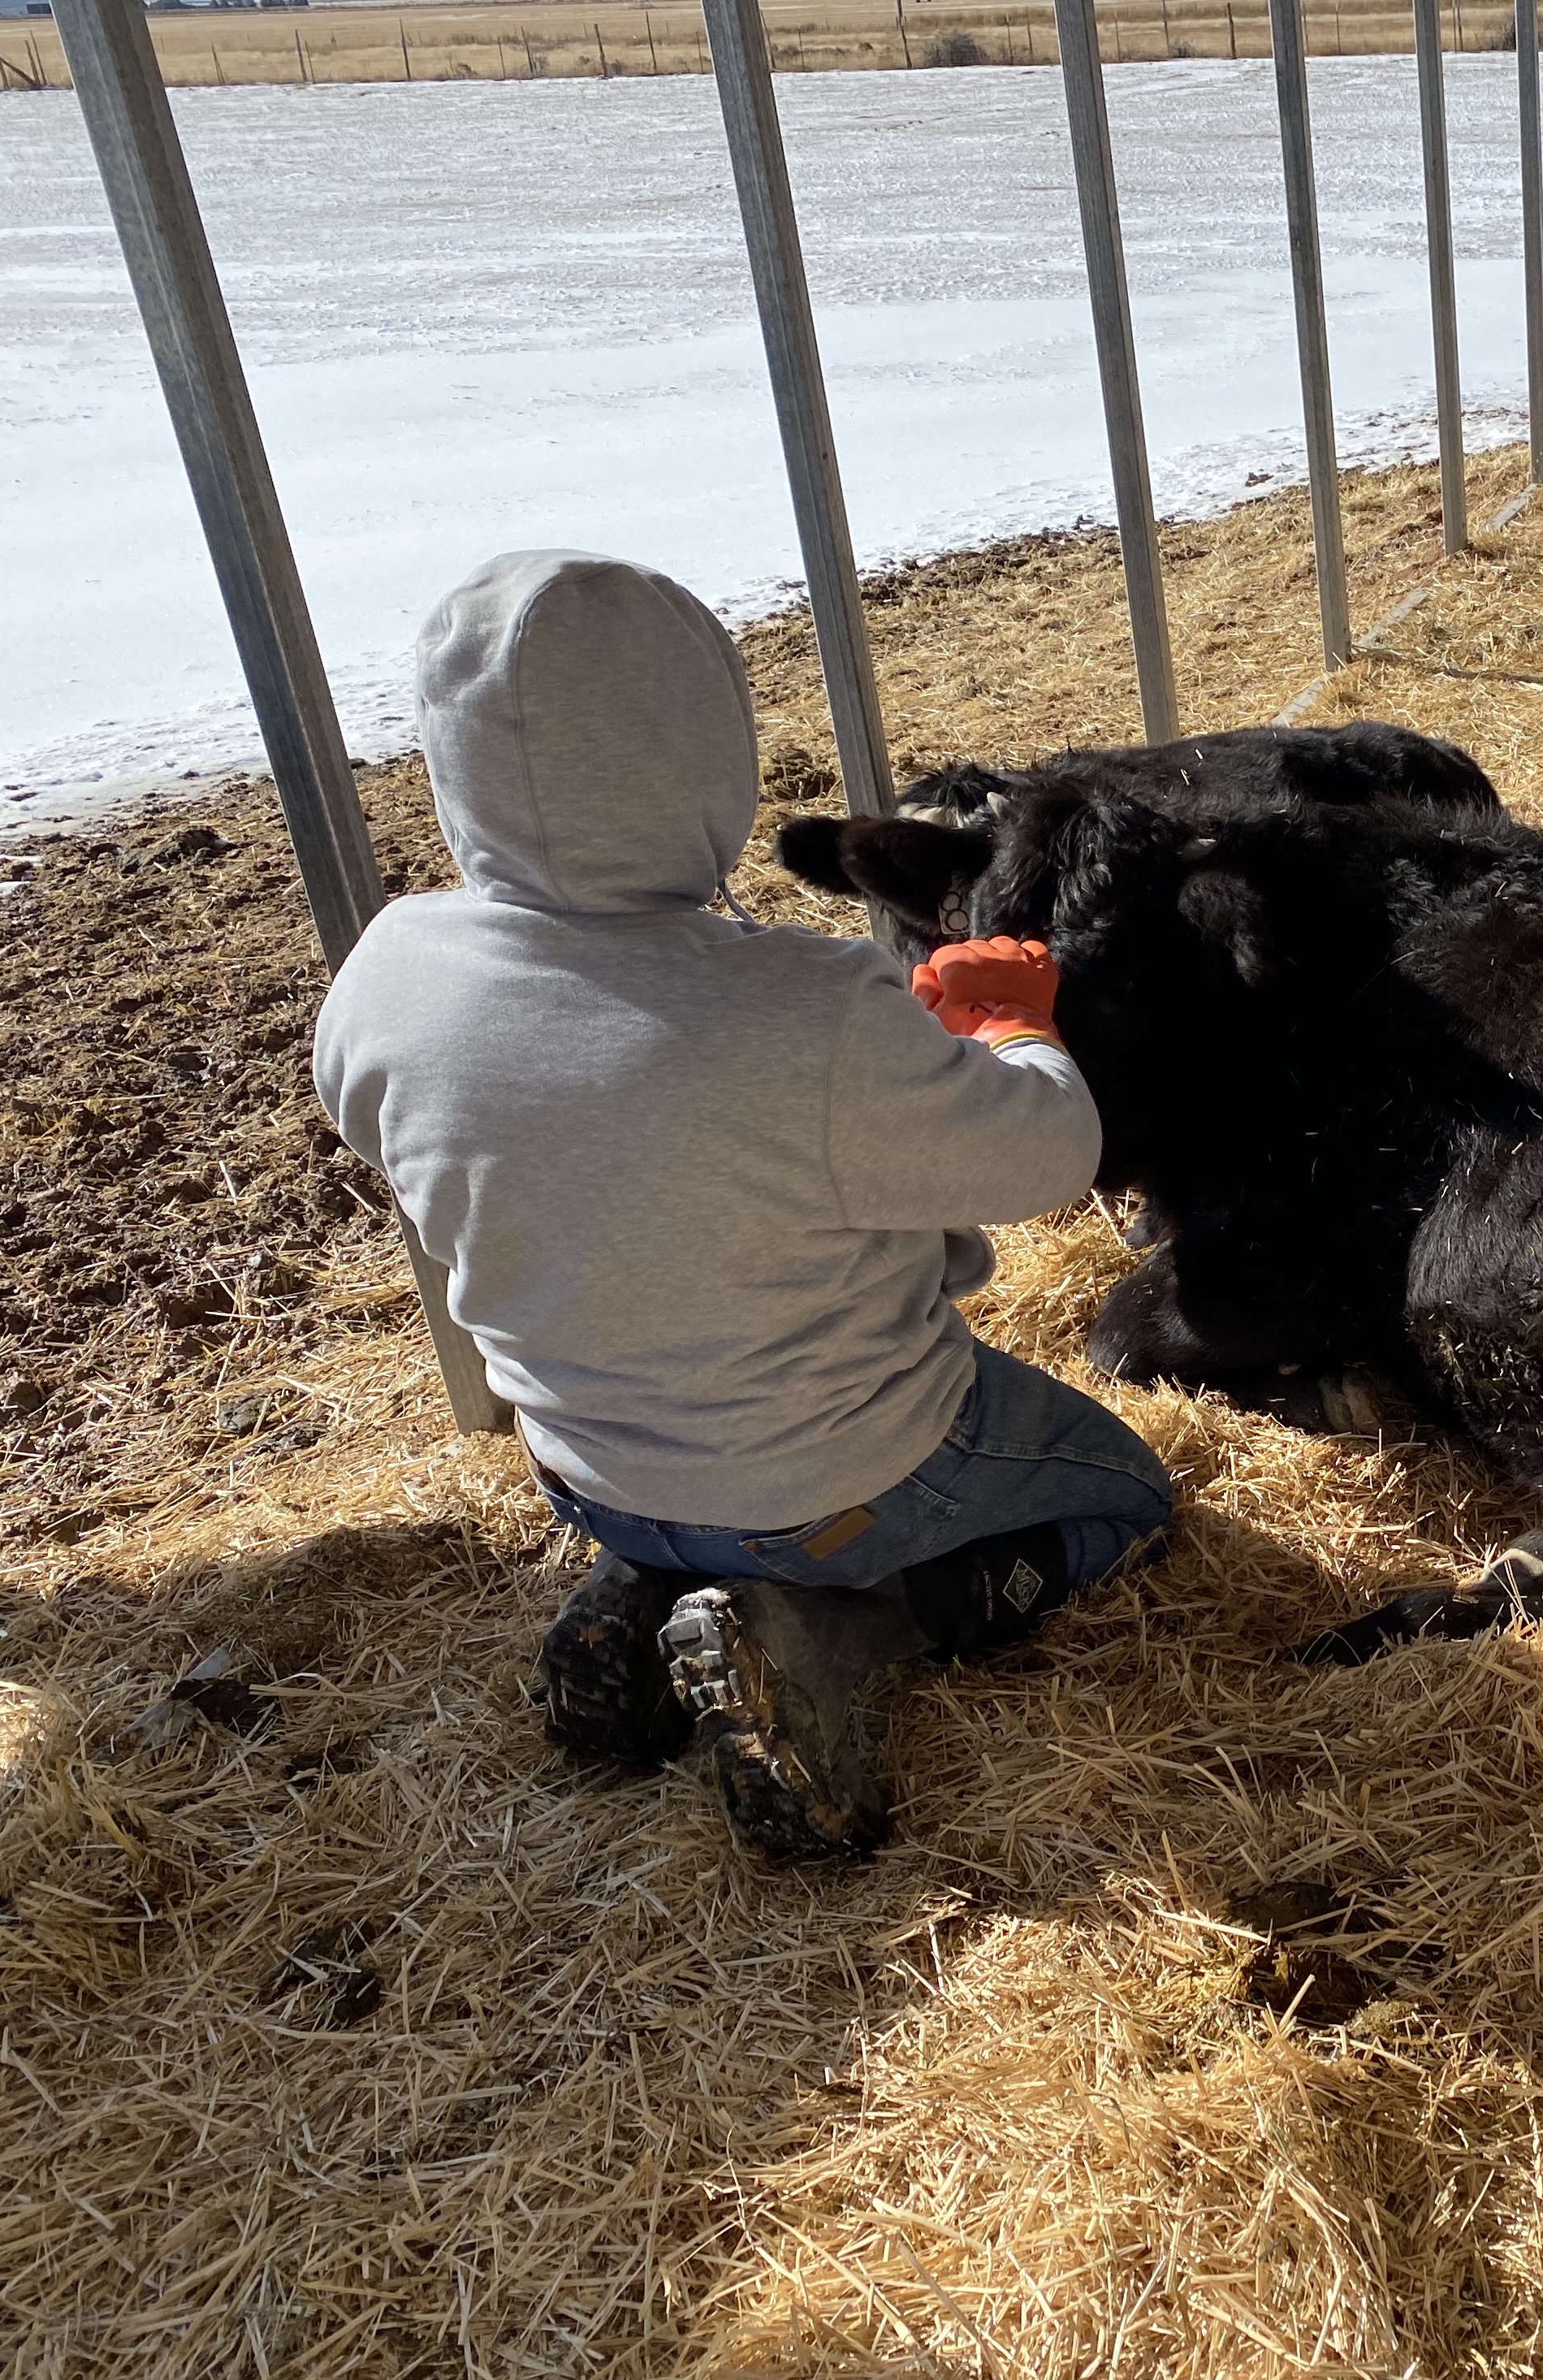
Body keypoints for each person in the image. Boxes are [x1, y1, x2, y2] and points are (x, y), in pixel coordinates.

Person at [313, 549, 1174, 1858]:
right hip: (849, 1474)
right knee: (1124, 1501)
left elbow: (564, 1133)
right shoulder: (807, 1004)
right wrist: (1004, 1029)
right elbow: (1050, 1154)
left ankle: (643, 1584)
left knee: (675, 1451)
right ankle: (827, 1635)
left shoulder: (387, 974)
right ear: (709, 758)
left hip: (589, 1465)